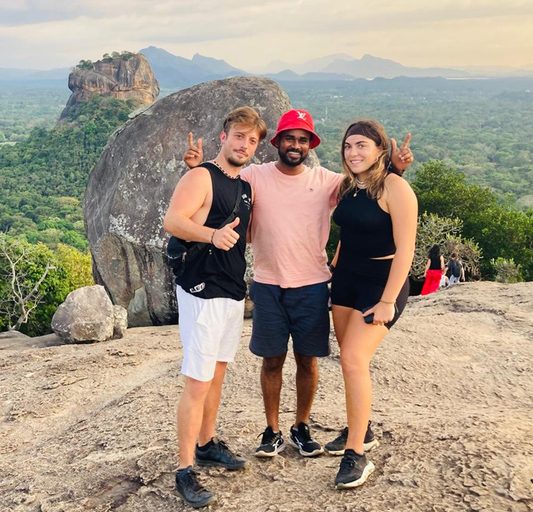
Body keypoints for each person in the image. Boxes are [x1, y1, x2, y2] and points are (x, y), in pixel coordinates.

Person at [183, 110, 413, 462]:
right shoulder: (255, 176)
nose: (295, 145)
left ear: (310, 145)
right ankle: (272, 429)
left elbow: (369, 193)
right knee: (271, 360)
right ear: (276, 143)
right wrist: (197, 170)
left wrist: (394, 171)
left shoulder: (328, 181)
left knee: (308, 361)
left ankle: (301, 426)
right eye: (289, 138)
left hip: (313, 285)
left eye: (302, 139)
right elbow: (222, 183)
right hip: (268, 284)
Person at [163, 106, 265, 508]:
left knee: (217, 373)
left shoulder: (244, 187)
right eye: (239, 136)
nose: (244, 145)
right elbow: (173, 220)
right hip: (201, 289)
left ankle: (207, 443)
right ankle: (185, 468)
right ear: (224, 137)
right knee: (197, 380)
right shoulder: (201, 175)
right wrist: (210, 235)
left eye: (252, 140)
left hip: (230, 290)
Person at [328, 119, 418, 489]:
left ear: (380, 149)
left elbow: (406, 250)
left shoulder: (396, 188)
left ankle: (357, 456)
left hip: (381, 284)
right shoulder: (350, 185)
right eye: (349, 146)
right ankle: (360, 431)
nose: (354, 153)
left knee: (354, 358)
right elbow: (348, 234)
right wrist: (332, 272)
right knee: (346, 359)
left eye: (362, 145)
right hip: (346, 280)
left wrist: (386, 301)